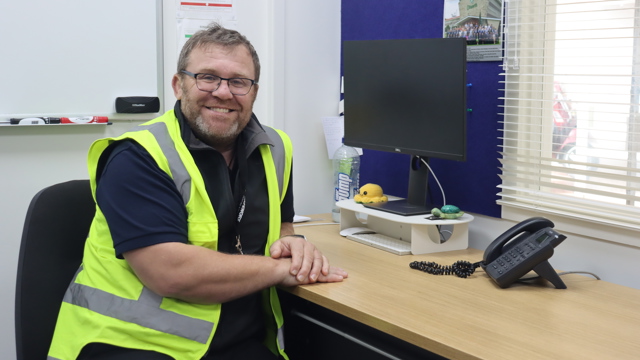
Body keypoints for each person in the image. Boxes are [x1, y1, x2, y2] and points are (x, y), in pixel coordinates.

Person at [47, 23, 348, 360]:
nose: (223, 92)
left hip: (236, 342)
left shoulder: (275, 148)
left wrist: (291, 243)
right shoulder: (138, 154)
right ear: (179, 85)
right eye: (207, 77)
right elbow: (170, 273)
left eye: (238, 81)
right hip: (128, 342)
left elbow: (281, 224)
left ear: (254, 91)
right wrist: (280, 269)